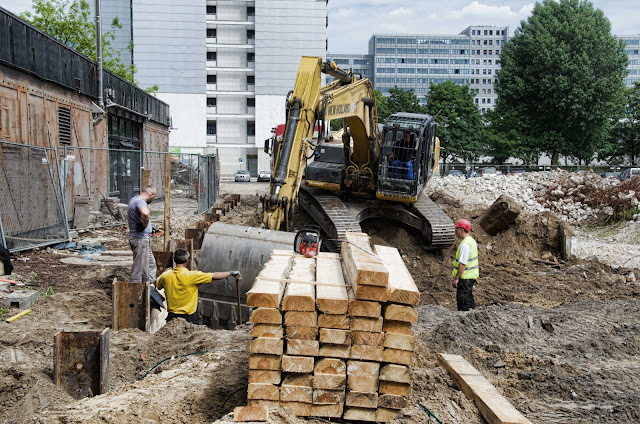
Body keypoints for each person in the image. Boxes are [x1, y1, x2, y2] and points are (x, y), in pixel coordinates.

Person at [155, 249, 241, 324]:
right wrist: (230, 273)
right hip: (189, 318)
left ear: (174, 260)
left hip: (171, 318)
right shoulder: (193, 276)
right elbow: (215, 276)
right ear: (187, 260)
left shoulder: (166, 276)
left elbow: (157, 285)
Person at [128, 185, 157, 283]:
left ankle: (151, 288)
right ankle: (136, 291)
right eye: (154, 197)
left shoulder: (134, 199)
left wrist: (149, 228)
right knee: (139, 270)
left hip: (142, 239)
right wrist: (145, 225)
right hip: (140, 239)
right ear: (151, 194)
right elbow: (145, 213)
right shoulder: (140, 201)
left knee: (151, 265)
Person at [450, 219, 478, 311]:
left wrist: (456, 278)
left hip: (465, 278)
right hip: (471, 277)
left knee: (463, 301)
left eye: (457, 229)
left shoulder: (465, 245)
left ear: (462, 230)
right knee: (469, 299)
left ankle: (464, 320)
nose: (455, 231)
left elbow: (462, 264)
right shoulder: (471, 241)